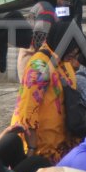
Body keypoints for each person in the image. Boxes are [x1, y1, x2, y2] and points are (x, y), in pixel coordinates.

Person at [12, 21, 79, 163]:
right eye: (71, 47)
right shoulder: (39, 66)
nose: (74, 51)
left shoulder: (65, 63)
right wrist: (31, 148)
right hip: (42, 149)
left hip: (61, 145)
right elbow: (28, 111)